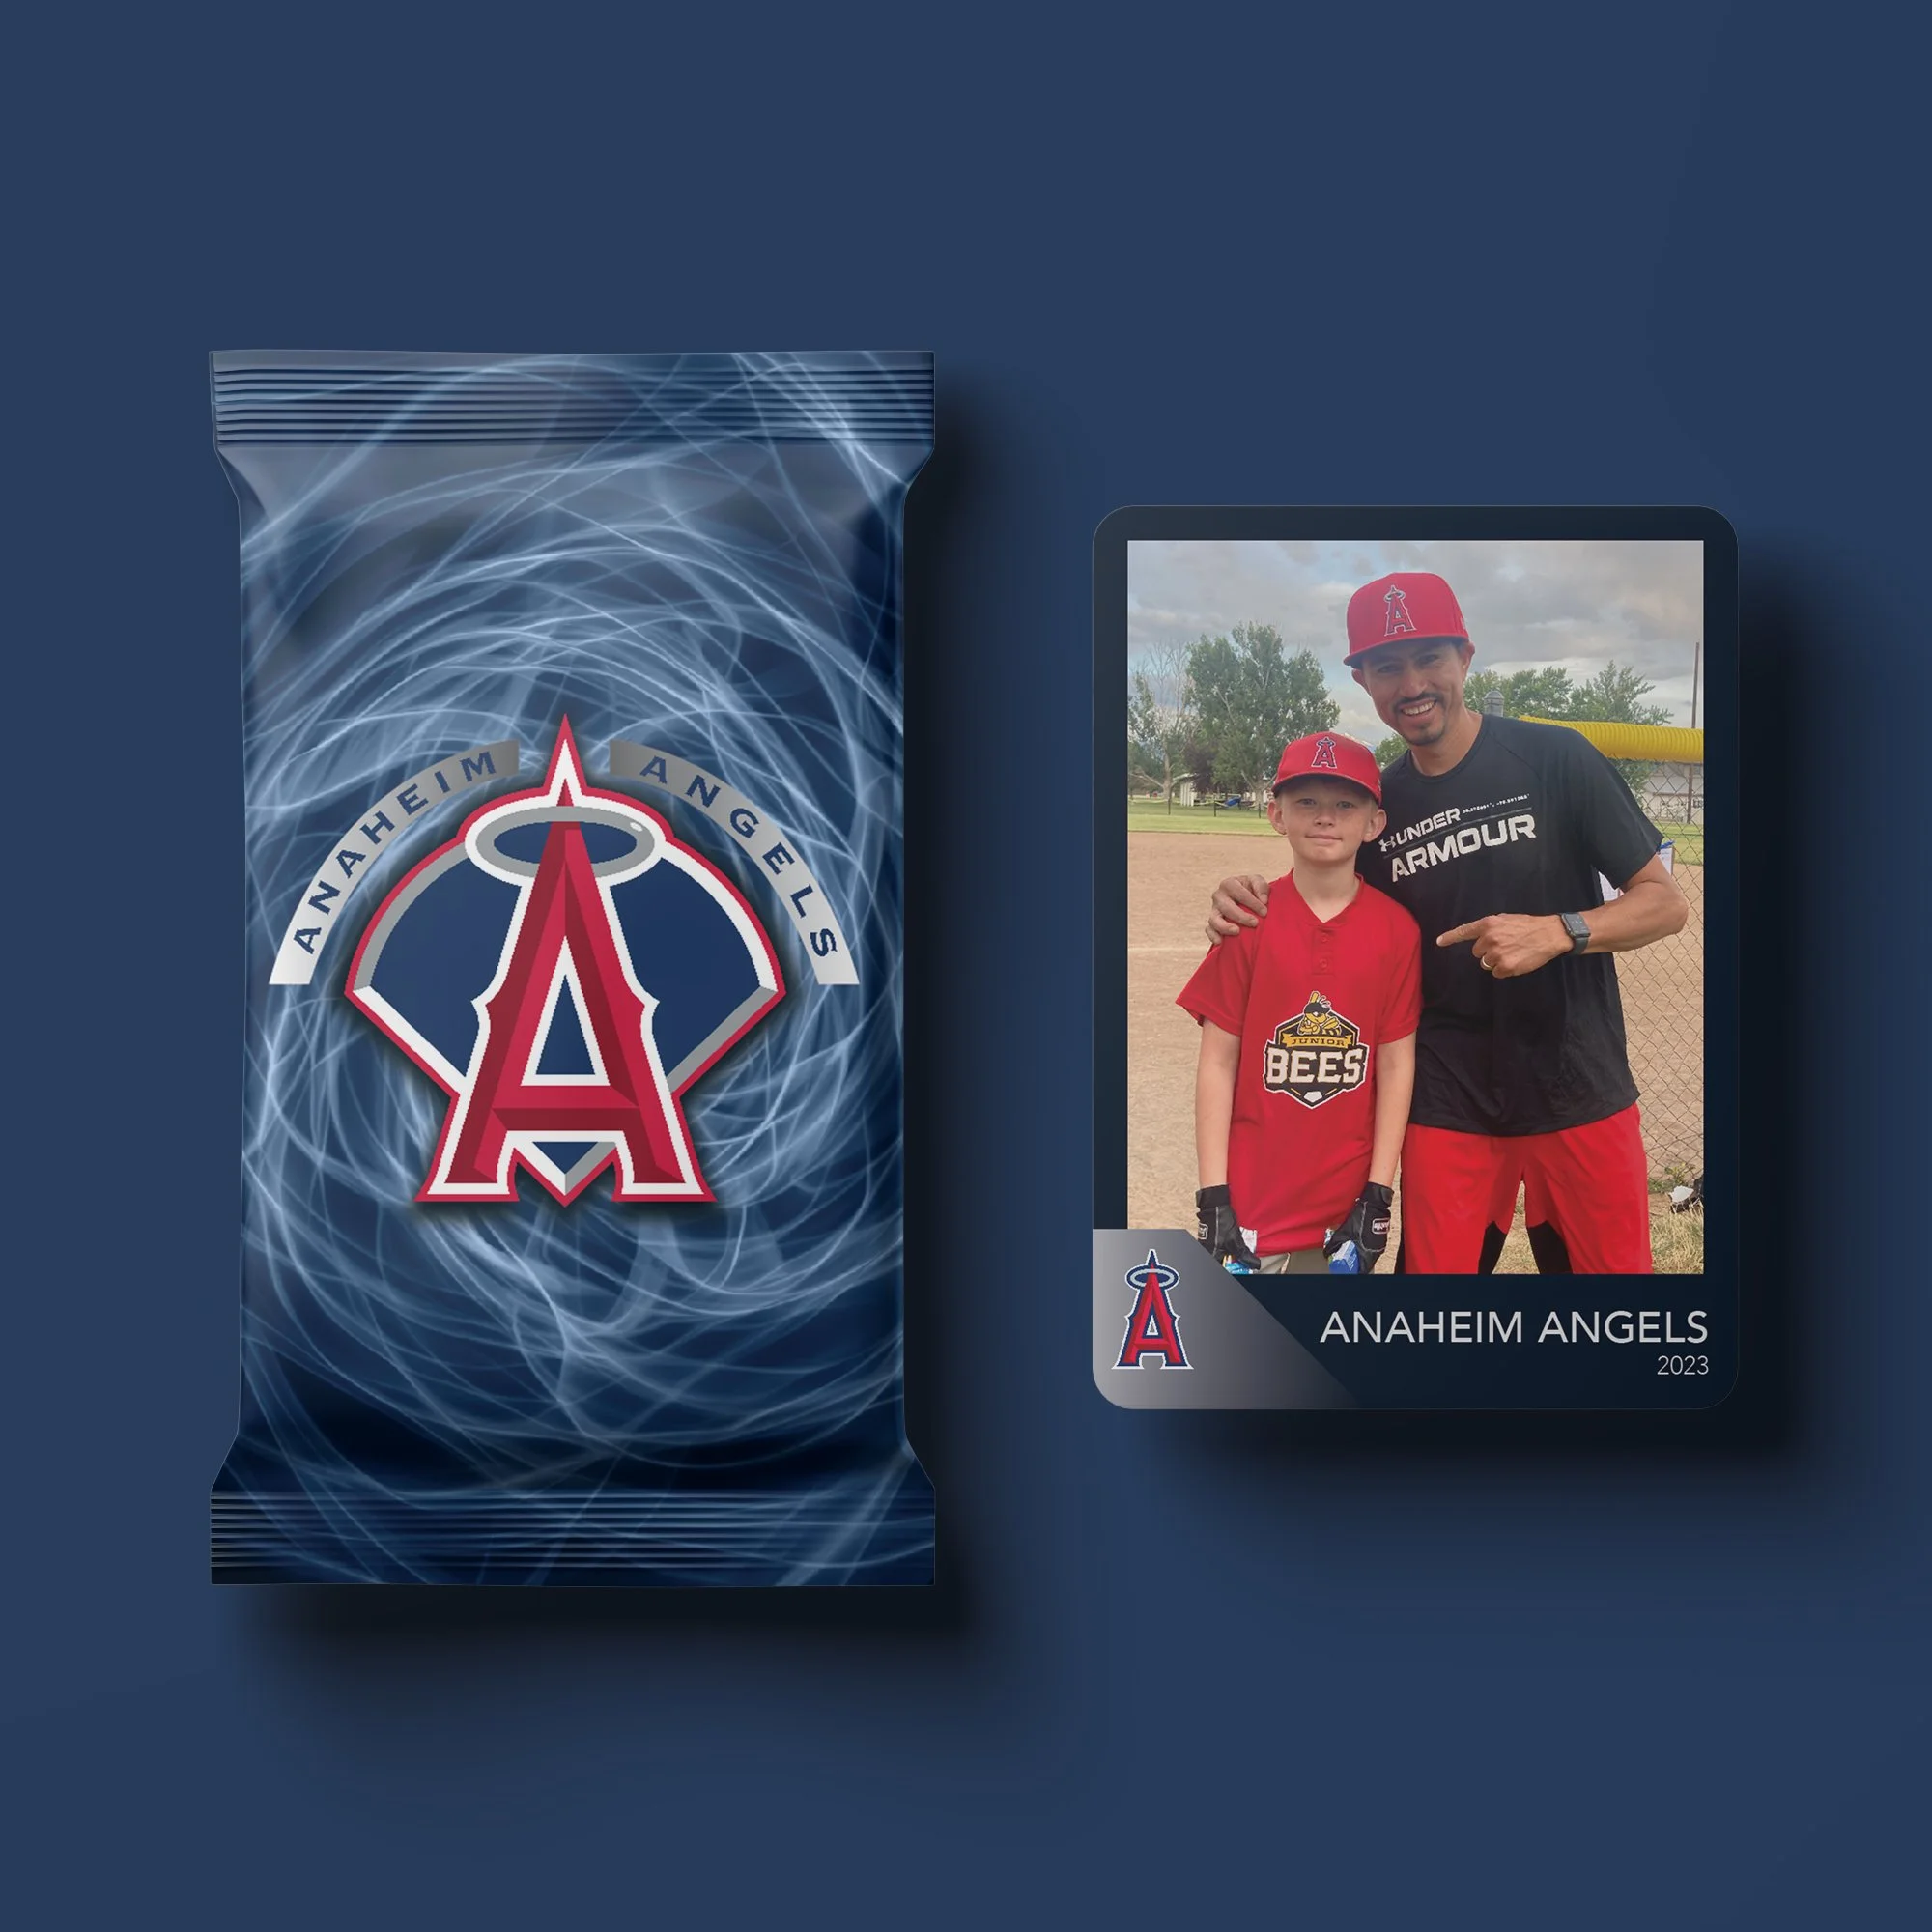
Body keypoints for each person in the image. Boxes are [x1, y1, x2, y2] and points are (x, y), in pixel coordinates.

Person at [1208, 571, 1689, 1274]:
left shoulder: (1557, 758)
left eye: (1429, 657)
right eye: (1387, 666)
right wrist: (1242, 894)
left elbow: (1664, 901)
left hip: (1581, 1087)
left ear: (1465, 658)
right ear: (1363, 680)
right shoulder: (1379, 802)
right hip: (1448, 1103)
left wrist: (1562, 930)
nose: (1412, 684)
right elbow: (1325, 901)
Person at [1179, 732, 1420, 1274]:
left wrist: (1378, 1193)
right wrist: (1212, 1194)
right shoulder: (1249, 921)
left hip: (1343, 1208)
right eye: (1306, 801)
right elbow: (1218, 1063)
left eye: (1345, 804)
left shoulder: (1397, 930)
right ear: (1276, 814)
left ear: (1374, 823)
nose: (1325, 817)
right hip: (1251, 1206)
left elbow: (1395, 1062)